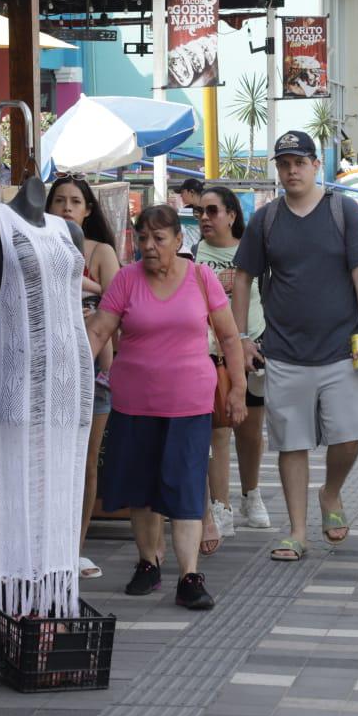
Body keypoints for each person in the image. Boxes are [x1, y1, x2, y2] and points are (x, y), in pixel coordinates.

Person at [232, 131, 358, 562]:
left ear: (317, 165)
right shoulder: (267, 219)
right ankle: (296, 531)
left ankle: (330, 493)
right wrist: (242, 338)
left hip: (342, 348)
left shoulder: (343, 211)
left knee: (349, 438)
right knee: (291, 443)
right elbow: (243, 277)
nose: (291, 170)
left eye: (299, 162)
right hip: (283, 351)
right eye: (284, 164)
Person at [87, 205, 246, 610]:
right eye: (143, 239)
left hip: (189, 403)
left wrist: (238, 388)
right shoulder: (126, 279)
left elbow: (228, 337)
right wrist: (69, 372)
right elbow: (101, 331)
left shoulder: (200, 277)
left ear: (179, 240)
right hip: (134, 402)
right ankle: (148, 564)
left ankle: (189, 576)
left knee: (186, 488)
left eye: (159, 239)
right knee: (141, 489)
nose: (150, 247)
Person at [47, 175, 122, 581]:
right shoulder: (37, 245)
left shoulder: (101, 251)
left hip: (93, 368)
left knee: (86, 460)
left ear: (88, 209)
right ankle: (48, 541)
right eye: (59, 200)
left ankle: (74, 547)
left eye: (75, 201)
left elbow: (117, 305)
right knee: (49, 456)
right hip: (46, 363)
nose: (67, 207)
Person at [193, 186, 272, 541]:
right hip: (208, 351)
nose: (205, 218)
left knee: (250, 430)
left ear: (231, 215)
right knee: (218, 428)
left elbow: (266, 297)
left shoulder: (251, 252)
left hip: (252, 346)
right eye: (200, 213)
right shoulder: (193, 253)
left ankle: (250, 494)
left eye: (212, 211)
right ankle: (220, 507)